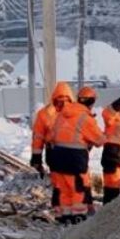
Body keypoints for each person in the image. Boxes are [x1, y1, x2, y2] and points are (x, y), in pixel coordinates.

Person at [45, 85, 105, 224]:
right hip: (75, 160)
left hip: (57, 157)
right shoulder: (86, 118)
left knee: (64, 190)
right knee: (78, 189)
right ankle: (79, 219)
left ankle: (65, 218)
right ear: (92, 102)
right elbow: (99, 140)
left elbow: (52, 136)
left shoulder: (61, 115)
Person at [30, 82, 74, 211]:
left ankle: (64, 209)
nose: (63, 102)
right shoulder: (76, 112)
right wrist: (36, 158)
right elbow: (38, 138)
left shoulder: (44, 114)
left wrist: (36, 158)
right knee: (63, 183)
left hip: (59, 152)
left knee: (63, 183)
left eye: (65, 100)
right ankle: (64, 210)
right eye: (61, 100)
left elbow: (38, 138)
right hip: (64, 152)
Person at [100, 96, 120, 204]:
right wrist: (117, 104)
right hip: (112, 154)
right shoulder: (114, 116)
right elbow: (106, 113)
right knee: (111, 189)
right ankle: (107, 215)